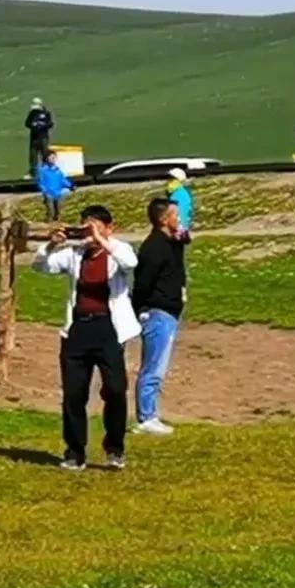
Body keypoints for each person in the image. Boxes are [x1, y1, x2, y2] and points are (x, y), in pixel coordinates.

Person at [33, 204, 138, 471]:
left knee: (115, 389)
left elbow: (131, 263)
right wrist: (50, 245)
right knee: (73, 394)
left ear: (109, 228)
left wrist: (102, 239)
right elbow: (41, 267)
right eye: (85, 226)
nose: (88, 233)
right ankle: (74, 452)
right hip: (78, 330)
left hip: (109, 329)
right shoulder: (74, 253)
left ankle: (114, 448)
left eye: (95, 226)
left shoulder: (118, 250)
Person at [131, 196, 188, 436]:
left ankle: (150, 414)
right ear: (164, 219)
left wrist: (182, 234)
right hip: (157, 313)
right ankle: (146, 417)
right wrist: (141, 309)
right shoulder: (153, 248)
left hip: (169, 312)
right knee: (153, 367)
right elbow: (143, 283)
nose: (180, 219)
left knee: (158, 366)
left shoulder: (169, 242)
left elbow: (183, 241)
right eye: (176, 215)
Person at [25, 97, 55, 176]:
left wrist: (42, 125)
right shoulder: (32, 113)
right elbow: (27, 123)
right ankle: (33, 173)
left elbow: (51, 124)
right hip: (34, 139)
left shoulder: (46, 113)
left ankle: (46, 171)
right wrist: (33, 125)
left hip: (43, 138)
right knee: (33, 157)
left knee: (45, 155)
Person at [163, 168, 195, 236]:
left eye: (172, 178)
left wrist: (178, 232)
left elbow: (183, 213)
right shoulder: (174, 194)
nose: (168, 181)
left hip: (178, 231)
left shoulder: (181, 194)